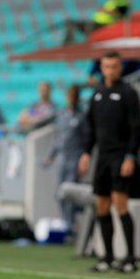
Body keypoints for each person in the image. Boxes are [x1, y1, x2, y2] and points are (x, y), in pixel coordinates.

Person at [78, 51, 140, 274]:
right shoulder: (98, 94)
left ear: (120, 67)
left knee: (120, 202)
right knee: (102, 205)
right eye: (106, 67)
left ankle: (131, 258)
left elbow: (136, 128)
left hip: (120, 155)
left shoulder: (129, 93)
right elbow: (91, 128)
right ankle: (107, 258)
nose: (110, 71)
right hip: (102, 157)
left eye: (114, 66)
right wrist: (86, 153)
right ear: (101, 68)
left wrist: (131, 156)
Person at [43, 85, 85, 233]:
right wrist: (51, 156)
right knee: (60, 194)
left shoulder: (81, 116)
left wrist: (84, 157)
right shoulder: (61, 115)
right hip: (62, 157)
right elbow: (58, 139)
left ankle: (72, 224)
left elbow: (86, 139)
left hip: (75, 157)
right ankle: (67, 223)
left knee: (71, 193)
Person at [64, 0, 130, 45]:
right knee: (71, 23)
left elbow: (118, 13)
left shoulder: (123, 1)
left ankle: (88, 42)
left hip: (106, 24)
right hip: (96, 22)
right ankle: (68, 43)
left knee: (89, 26)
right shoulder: (111, 1)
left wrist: (103, 10)